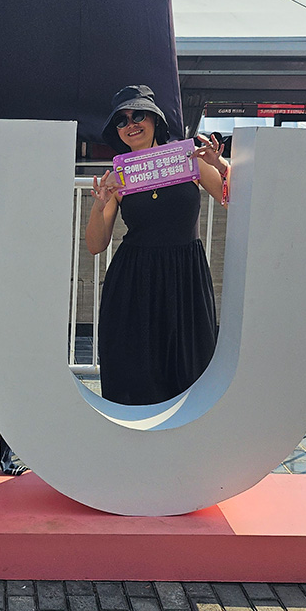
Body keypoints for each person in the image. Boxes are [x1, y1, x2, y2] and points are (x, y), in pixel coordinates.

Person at [87, 85, 230, 405]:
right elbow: (96, 245)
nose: (131, 124)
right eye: (121, 121)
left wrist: (221, 166)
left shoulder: (188, 159)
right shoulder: (119, 176)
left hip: (185, 277)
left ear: (155, 119)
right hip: (135, 281)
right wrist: (99, 205)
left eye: (138, 115)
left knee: (191, 367)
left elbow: (233, 199)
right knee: (135, 372)